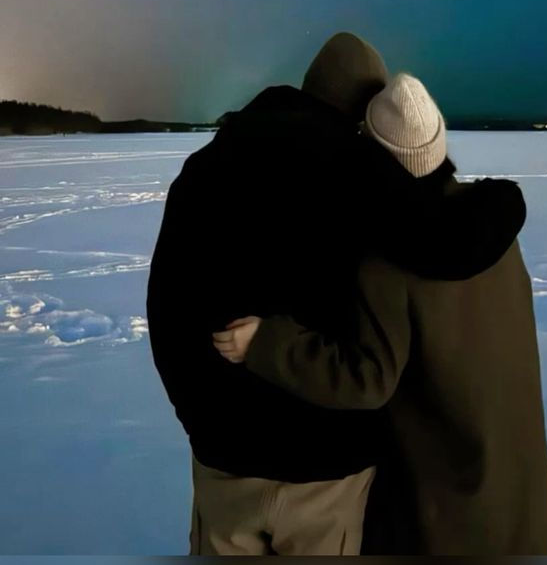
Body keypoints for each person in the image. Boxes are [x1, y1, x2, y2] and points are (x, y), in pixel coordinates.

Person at [147, 34, 526, 556]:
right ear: (361, 113)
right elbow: (442, 242)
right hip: (327, 469)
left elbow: (165, 306)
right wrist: (504, 202)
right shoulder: (354, 171)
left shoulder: (202, 169)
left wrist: (202, 419)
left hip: (222, 460)